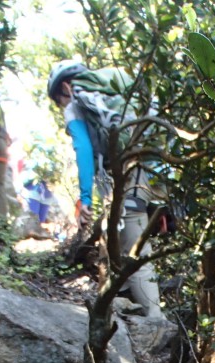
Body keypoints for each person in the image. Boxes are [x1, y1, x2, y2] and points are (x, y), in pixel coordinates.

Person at [47, 60, 163, 318]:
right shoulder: (118, 91)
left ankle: (156, 323)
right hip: (150, 167)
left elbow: (84, 150)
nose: (62, 106)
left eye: (59, 101)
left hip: (128, 174)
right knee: (114, 240)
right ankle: (125, 305)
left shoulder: (76, 103)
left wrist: (85, 198)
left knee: (135, 248)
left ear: (65, 87)